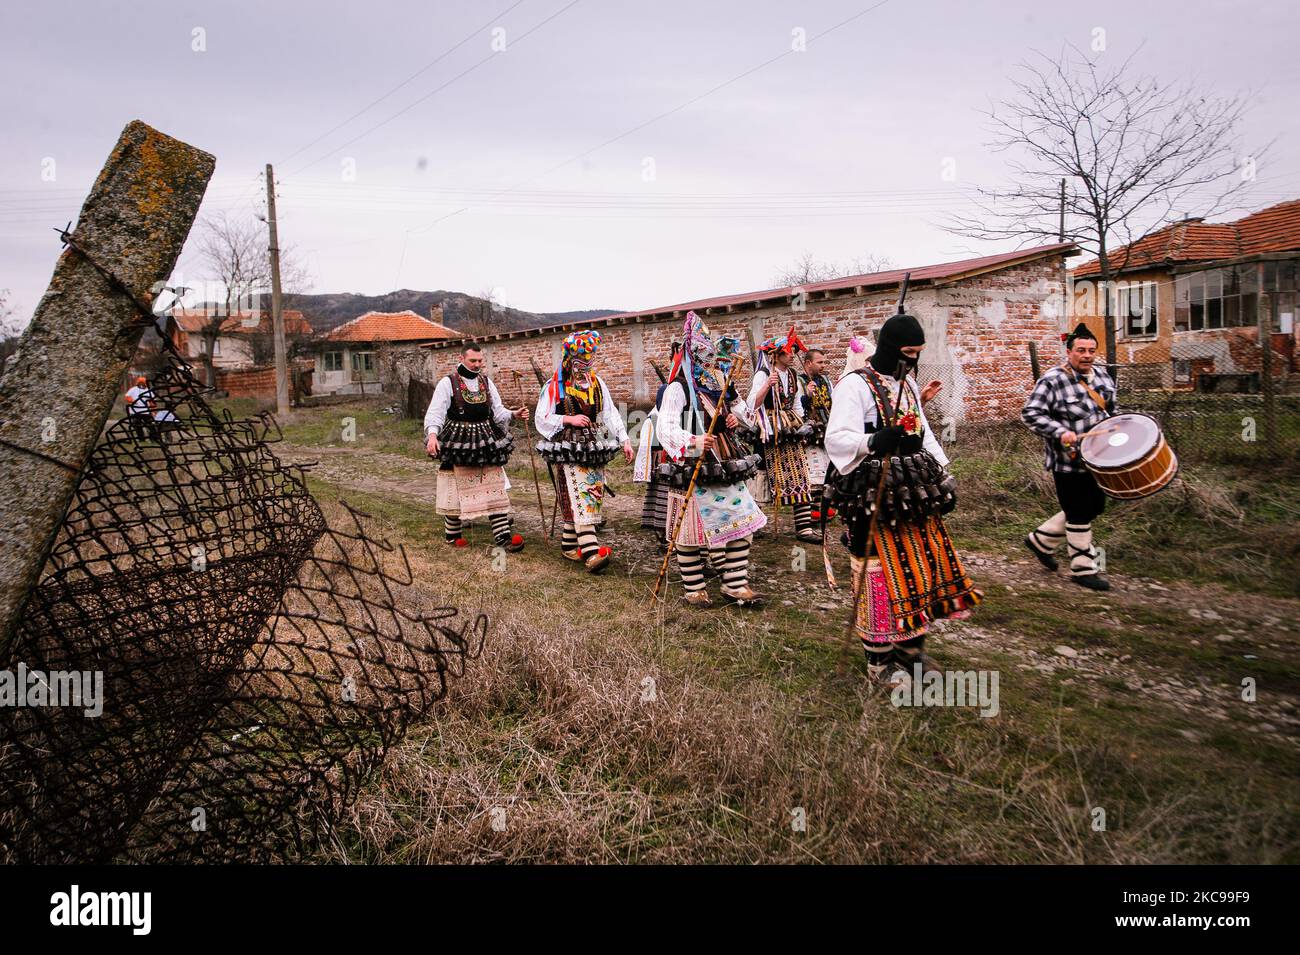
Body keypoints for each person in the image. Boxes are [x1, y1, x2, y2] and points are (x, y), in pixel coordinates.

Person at [824, 318, 981, 683]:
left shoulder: (908, 384)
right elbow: (837, 439)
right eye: (908, 354)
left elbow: (923, 433)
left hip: (912, 490)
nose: (912, 362)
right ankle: (880, 663)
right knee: (877, 573)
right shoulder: (854, 386)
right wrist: (874, 441)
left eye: (918, 354)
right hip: (868, 490)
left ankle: (912, 654)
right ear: (891, 349)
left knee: (917, 565)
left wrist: (944, 474)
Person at [656, 312, 766, 606]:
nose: (708, 358)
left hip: (726, 460)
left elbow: (743, 411)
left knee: (745, 520)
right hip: (692, 463)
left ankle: (734, 584)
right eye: (702, 354)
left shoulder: (720, 381)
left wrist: (734, 419)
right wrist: (692, 441)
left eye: (710, 353)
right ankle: (694, 588)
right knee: (689, 530)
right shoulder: (678, 387)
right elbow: (664, 425)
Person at [1020, 323, 1116, 591]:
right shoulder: (1052, 380)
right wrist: (1060, 431)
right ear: (1069, 352)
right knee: (1078, 514)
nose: (1086, 355)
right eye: (1081, 350)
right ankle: (1083, 569)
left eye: (1091, 350)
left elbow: (1110, 412)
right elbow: (1031, 414)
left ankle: (1040, 541)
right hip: (1067, 462)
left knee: (1094, 507)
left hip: (1098, 459)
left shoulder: (1105, 377)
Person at [534, 330, 633, 573]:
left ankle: (569, 546)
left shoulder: (598, 384)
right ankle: (590, 552)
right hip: (569, 448)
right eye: (580, 362)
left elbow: (610, 413)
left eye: (589, 362)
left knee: (591, 493)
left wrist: (625, 439)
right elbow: (542, 417)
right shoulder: (554, 386)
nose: (585, 367)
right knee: (579, 492)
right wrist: (569, 418)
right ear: (569, 360)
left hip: (593, 447)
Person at [423, 344, 529, 551]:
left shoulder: (486, 383)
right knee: (455, 484)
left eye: (480, 361)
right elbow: (435, 412)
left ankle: (503, 537)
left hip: (485, 440)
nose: (478, 364)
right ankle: (453, 535)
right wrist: (432, 436)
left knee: (493, 483)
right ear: (462, 358)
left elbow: (497, 412)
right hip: (458, 441)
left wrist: (514, 414)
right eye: (473, 361)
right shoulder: (448, 383)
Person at [747, 328, 820, 544]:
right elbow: (752, 403)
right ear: (776, 355)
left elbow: (796, 403)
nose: (792, 355)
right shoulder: (763, 373)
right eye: (789, 352)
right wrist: (766, 386)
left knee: (798, 471)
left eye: (794, 351)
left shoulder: (793, 376)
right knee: (762, 472)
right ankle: (754, 523)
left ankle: (804, 527)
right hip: (768, 427)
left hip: (788, 427)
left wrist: (798, 422)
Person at [636, 341, 680, 548]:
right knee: (664, 491)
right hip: (666, 449)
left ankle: (673, 532)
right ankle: (664, 533)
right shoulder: (668, 388)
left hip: (679, 444)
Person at [799, 348, 836, 525]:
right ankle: (811, 508)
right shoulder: (799, 381)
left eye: (824, 362)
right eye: (819, 362)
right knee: (812, 468)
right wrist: (807, 395)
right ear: (808, 363)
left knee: (826, 466)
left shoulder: (825, 380)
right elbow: (797, 406)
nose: (823, 365)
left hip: (825, 425)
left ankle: (823, 505)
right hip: (809, 428)